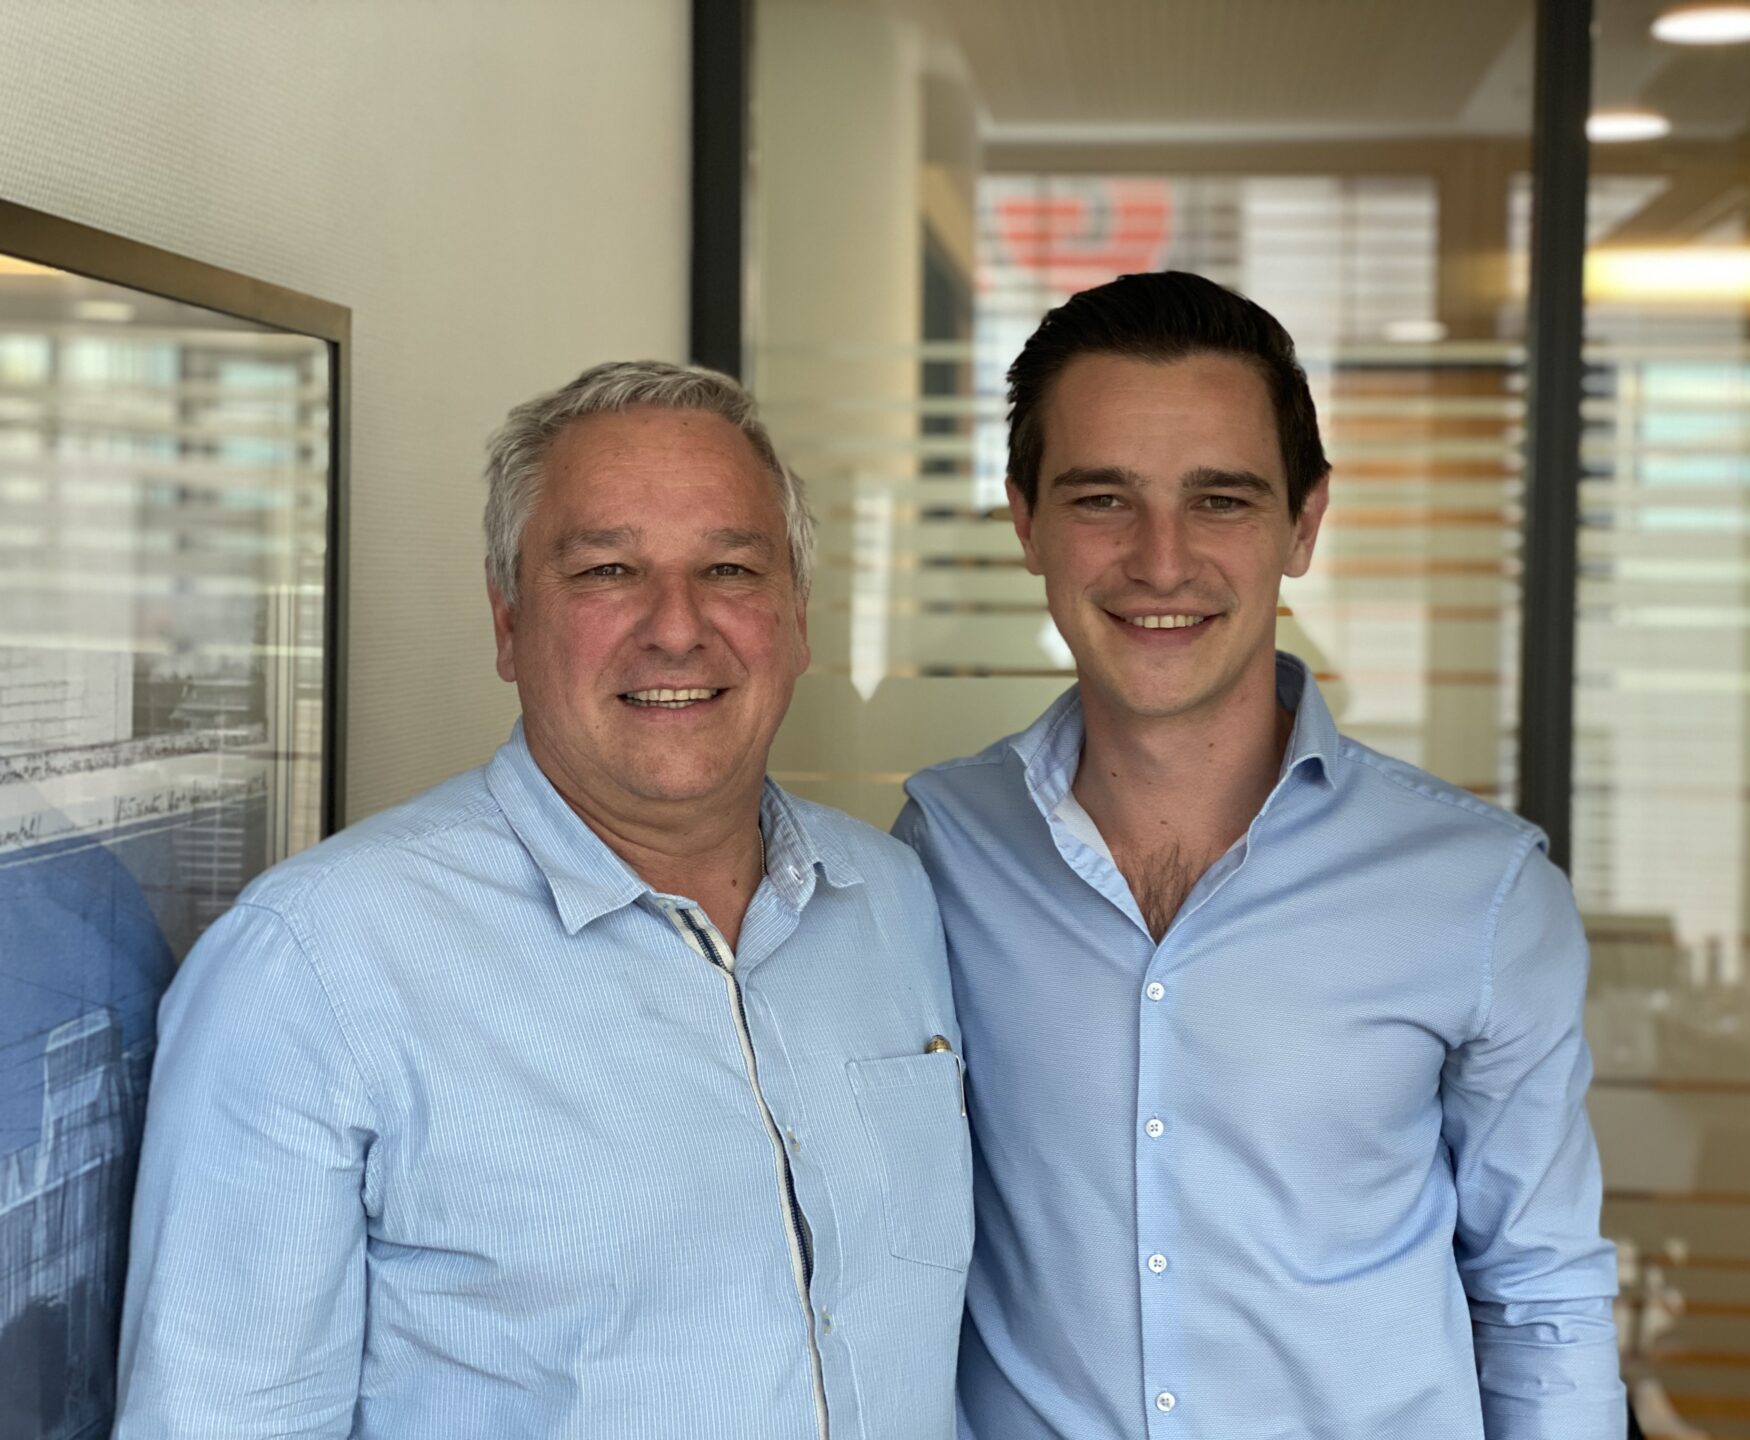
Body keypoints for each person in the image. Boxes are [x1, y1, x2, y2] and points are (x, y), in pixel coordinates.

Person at [115, 362, 970, 1440]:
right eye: (609, 569)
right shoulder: (313, 968)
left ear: (796, 620)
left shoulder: (893, 900)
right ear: (509, 621)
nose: (676, 627)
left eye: (731, 568)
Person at [896, 272, 1625, 1439]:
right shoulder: (935, 851)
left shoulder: (1480, 895)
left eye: (1221, 500)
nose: (1162, 560)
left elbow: (1542, 1300)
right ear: (1025, 522)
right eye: (1102, 499)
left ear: (1305, 523)